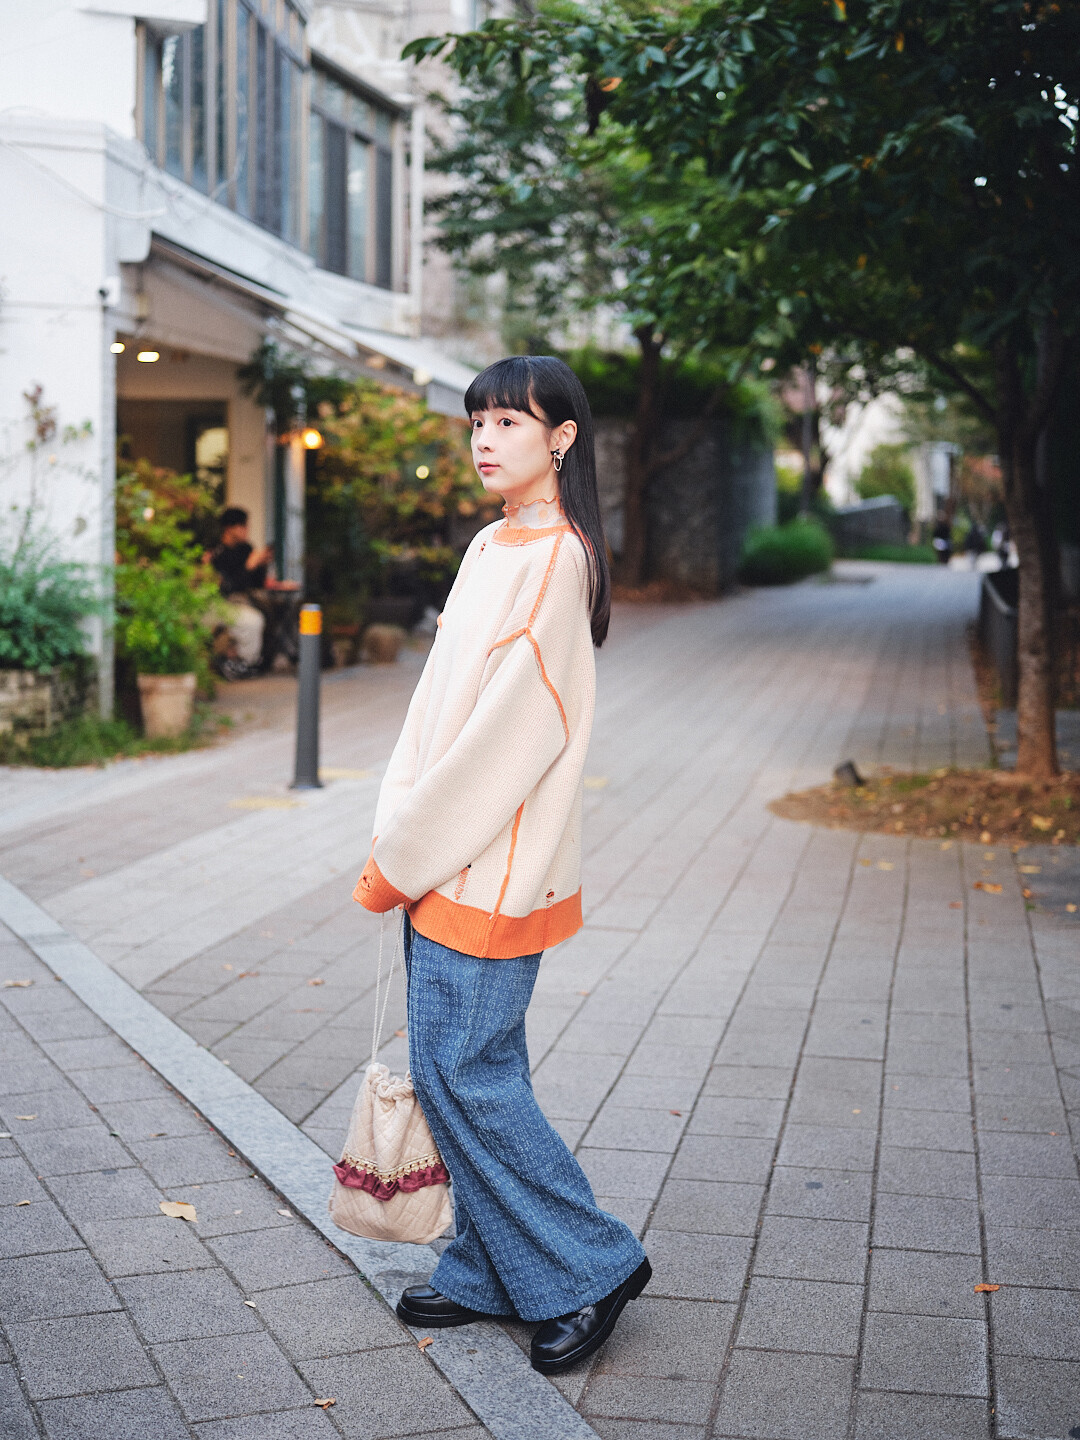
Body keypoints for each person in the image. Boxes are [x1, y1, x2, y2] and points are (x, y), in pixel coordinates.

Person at [353, 355, 650, 1374]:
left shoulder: (557, 561)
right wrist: (398, 831)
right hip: (443, 853)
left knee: (467, 1076)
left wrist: (402, 856)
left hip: (490, 863)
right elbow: (436, 705)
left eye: (509, 422)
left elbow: (502, 746)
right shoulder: (492, 543)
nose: (484, 439)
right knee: (461, 1072)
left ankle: (592, 1265)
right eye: (477, 421)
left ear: (562, 438)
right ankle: (487, 1268)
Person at [209, 507, 270, 672]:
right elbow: (225, 587)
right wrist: (248, 567)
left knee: (273, 611)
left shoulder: (246, 549)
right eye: (243, 526)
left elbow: (257, 583)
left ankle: (257, 662)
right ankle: (244, 664)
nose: (247, 530)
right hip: (222, 603)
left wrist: (261, 565)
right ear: (229, 528)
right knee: (253, 620)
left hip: (245, 600)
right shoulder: (217, 553)